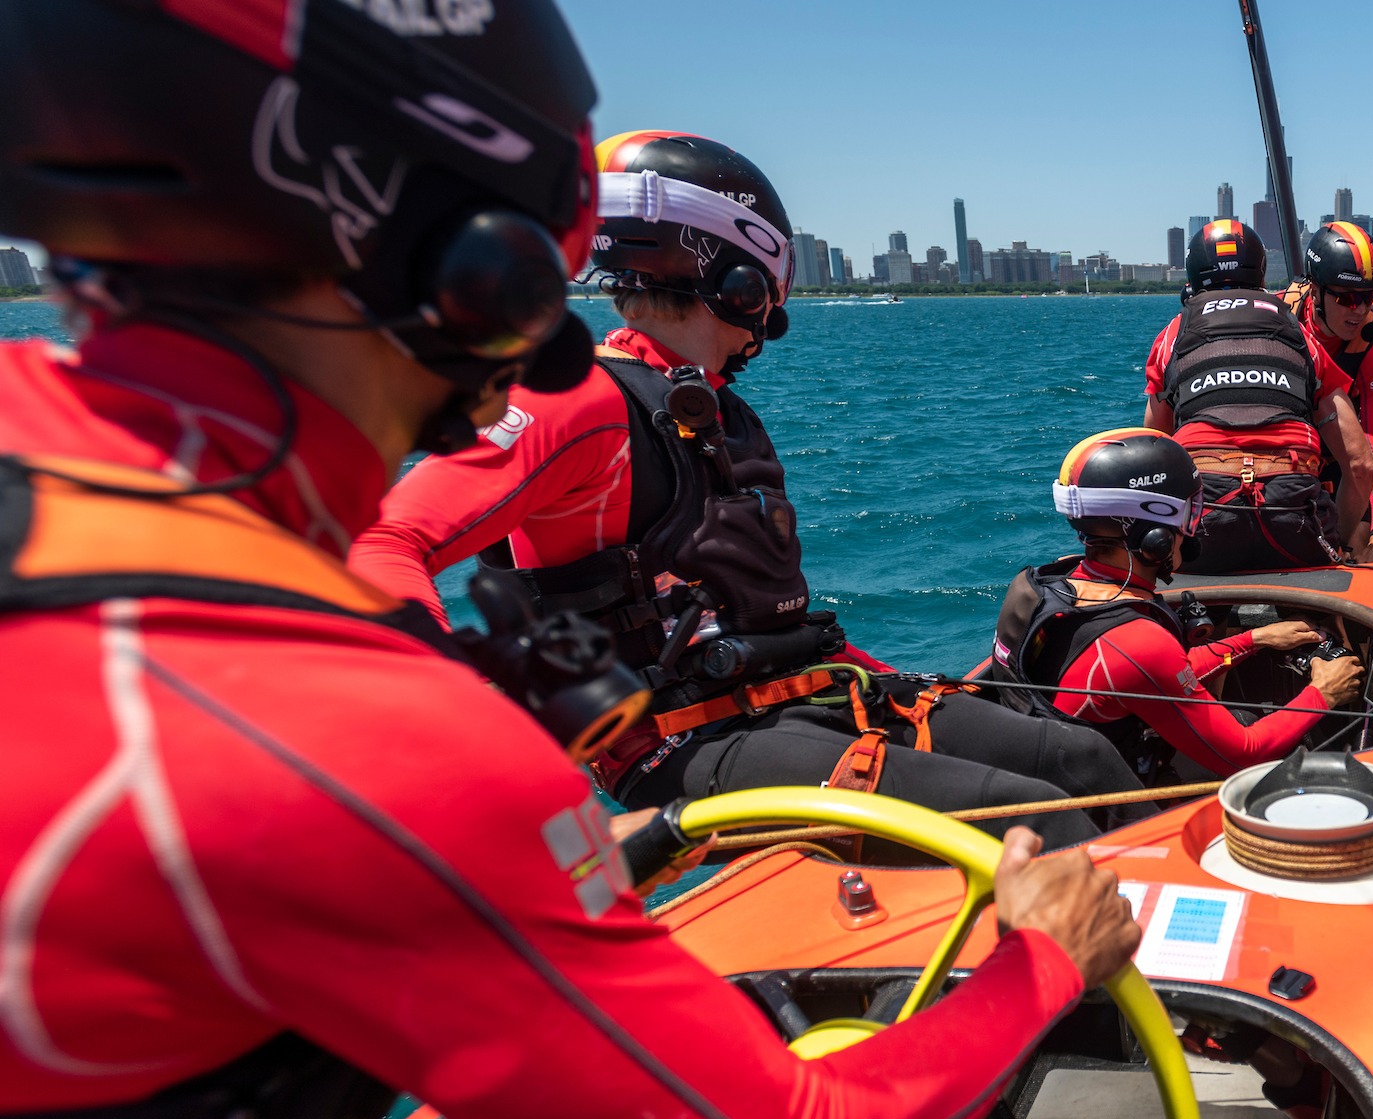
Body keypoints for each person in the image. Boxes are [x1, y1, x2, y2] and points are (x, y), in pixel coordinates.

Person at [0, 6, 1140, 1119]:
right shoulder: (348, 722)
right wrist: (1039, 962)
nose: (532, 364)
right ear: (466, 273)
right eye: (530, 298)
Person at [348, 131, 1139, 849]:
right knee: (1033, 821)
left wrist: (882, 677)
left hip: (791, 694)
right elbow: (385, 541)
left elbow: (754, 609)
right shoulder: (578, 401)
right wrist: (440, 704)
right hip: (684, 742)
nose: (766, 325)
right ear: (736, 276)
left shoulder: (709, 405)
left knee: (1078, 754)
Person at [990, 430, 1364, 778]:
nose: (1193, 524)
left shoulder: (1058, 585)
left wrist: (1253, 641)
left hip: (1054, 762)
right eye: (1188, 509)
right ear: (1154, 535)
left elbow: (1163, 674)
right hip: (1109, 799)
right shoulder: (1137, 641)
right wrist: (1322, 693)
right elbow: (1244, 753)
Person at [1141, 219, 1373, 573]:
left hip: (1206, 525)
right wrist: (1336, 543)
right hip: (1296, 521)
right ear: (1262, 275)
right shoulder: (1299, 335)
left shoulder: (1172, 336)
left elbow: (1154, 457)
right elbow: (1360, 466)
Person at [1287, 222, 1373, 563]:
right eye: (1347, 297)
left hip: (1338, 460)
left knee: (1360, 542)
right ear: (1315, 289)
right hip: (1281, 457)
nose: (1360, 309)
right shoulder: (1278, 323)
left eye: (1369, 296)